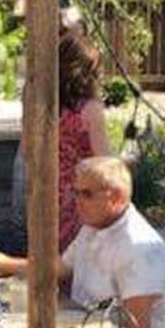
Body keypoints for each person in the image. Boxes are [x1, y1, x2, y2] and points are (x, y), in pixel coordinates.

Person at [45, 157, 165, 328]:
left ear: (116, 197)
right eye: (75, 192)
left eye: (87, 194)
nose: (77, 201)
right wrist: (2, 263)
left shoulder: (139, 247)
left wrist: (68, 316)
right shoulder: (93, 226)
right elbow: (56, 270)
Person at [57, 31, 115, 251]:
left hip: (47, 190)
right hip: (82, 193)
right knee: (79, 259)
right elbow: (105, 163)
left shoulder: (44, 106)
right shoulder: (89, 109)